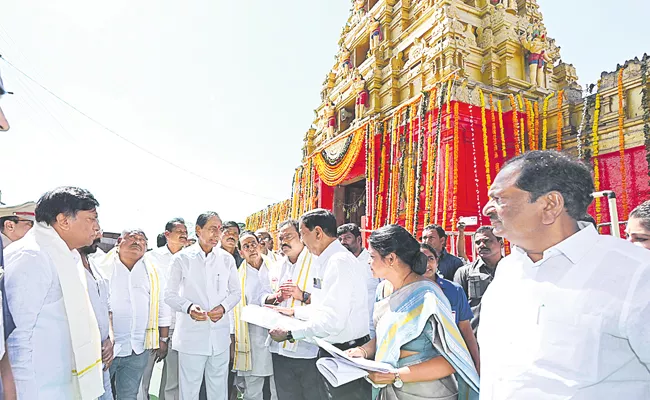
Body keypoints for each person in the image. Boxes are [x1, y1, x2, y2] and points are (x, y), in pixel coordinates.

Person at [480, 150, 650, 399]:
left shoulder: (636, 273)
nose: (487, 209)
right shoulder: (508, 269)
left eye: (499, 198)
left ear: (550, 205)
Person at [346, 224, 479, 399]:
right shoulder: (384, 289)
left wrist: (396, 375)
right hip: (388, 389)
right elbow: (388, 337)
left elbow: (452, 359)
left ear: (391, 258)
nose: (368, 261)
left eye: (372, 256)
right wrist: (362, 351)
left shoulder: (427, 297)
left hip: (426, 393)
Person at [4, 186, 104, 398]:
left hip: (63, 384)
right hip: (38, 389)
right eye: (91, 219)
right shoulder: (32, 256)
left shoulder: (69, 256)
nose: (96, 227)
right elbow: (16, 338)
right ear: (64, 220)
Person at [269, 209, 370, 400]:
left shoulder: (338, 262)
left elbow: (332, 320)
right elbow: (321, 306)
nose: (301, 239)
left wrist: (290, 334)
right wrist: (294, 312)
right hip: (334, 350)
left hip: (346, 352)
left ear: (317, 232)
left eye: (302, 233)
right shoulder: (324, 260)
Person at [165, 212, 241, 400]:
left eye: (219, 229)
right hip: (192, 337)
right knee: (189, 391)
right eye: (212, 228)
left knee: (218, 390)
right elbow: (169, 295)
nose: (217, 233)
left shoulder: (226, 259)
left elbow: (236, 293)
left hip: (219, 336)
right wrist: (189, 307)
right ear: (198, 230)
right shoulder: (182, 258)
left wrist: (223, 308)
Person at [96, 229, 171, 400]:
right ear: (119, 242)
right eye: (132, 238)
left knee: (129, 395)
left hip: (139, 347)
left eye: (142, 239)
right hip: (106, 347)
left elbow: (162, 305)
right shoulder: (100, 266)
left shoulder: (153, 271)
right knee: (99, 394)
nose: (137, 242)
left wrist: (163, 339)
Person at [267, 219, 321, 400]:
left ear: (302, 237)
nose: (283, 241)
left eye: (288, 236)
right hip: (279, 347)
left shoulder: (317, 263)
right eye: (280, 237)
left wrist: (302, 295)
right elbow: (265, 296)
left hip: (308, 347)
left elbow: (329, 302)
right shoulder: (277, 266)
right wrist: (276, 298)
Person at [139, 218, 188, 400]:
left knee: (173, 380)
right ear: (167, 234)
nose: (184, 235)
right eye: (179, 232)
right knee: (144, 377)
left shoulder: (190, 257)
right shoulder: (151, 258)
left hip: (181, 325)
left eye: (185, 232)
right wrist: (162, 336)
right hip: (154, 326)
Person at [231, 231, 278, 400]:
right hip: (252, 338)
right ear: (241, 253)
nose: (251, 248)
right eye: (246, 246)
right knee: (253, 389)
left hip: (278, 335)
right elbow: (233, 311)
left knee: (278, 387)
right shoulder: (237, 277)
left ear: (260, 245)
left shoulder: (277, 266)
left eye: (253, 244)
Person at [79, 230, 114, 400]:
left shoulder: (96, 265)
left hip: (103, 356)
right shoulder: (68, 268)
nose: (97, 236)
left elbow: (106, 307)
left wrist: (110, 339)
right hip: (82, 357)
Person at [453, 226, 503, 335]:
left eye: (486, 241)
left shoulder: (514, 270)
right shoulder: (465, 272)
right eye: (477, 242)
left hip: (509, 338)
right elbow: (457, 310)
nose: (481, 245)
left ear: (501, 243)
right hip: (476, 339)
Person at [337, 223, 380, 338]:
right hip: (343, 330)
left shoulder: (373, 260)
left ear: (359, 239)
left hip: (369, 329)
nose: (343, 242)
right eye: (340, 239)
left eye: (347, 238)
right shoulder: (338, 262)